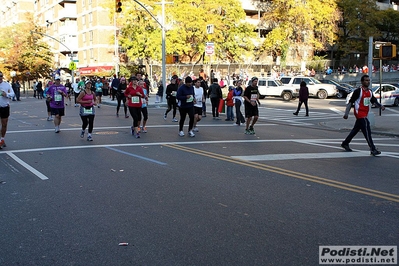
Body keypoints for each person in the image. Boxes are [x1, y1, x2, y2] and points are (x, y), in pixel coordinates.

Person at [341, 75, 385, 156]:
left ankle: (345, 143)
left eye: (368, 80)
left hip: (365, 113)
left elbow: (374, 101)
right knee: (367, 130)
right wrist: (346, 114)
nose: (367, 82)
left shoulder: (370, 92)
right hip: (359, 114)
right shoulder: (358, 91)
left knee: (356, 129)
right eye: (366, 80)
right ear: (362, 82)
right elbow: (350, 102)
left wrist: (380, 106)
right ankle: (373, 149)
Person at [0, 72, 15, 149]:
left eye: (1, 76)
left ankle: (2, 139)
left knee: (4, 124)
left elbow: (13, 94)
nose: (0, 78)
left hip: (4, 106)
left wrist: (7, 94)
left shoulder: (6, 85)